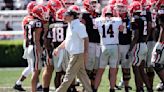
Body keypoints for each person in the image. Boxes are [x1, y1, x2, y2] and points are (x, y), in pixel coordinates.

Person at [53, 9, 92, 92]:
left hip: (77, 54)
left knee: (68, 76)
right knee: (83, 76)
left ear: (72, 16)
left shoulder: (79, 26)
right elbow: (67, 40)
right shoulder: (70, 25)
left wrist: (85, 52)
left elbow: (85, 38)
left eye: (66, 15)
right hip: (74, 54)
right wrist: (58, 48)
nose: (64, 17)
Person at [93, 5, 124, 92]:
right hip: (114, 46)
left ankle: (95, 89)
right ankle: (112, 89)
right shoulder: (118, 20)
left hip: (104, 46)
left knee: (100, 70)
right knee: (113, 70)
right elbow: (121, 29)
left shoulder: (98, 20)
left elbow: (95, 27)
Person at [13, 1, 42, 91]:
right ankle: (20, 83)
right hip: (30, 42)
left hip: (28, 42)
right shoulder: (31, 20)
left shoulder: (28, 18)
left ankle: (37, 85)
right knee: (32, 67)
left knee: (33, 66)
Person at [127, 1, 153, 92]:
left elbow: (135, 36)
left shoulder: (135, 19)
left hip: (138, 45)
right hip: (143, 44)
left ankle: (139, 88)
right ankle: (149, 88)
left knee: (136, 69)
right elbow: (148, 30)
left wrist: (130, 49)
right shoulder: (144, 19)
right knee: (141, 69)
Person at [28, 5, 49, 92]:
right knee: (36, 71)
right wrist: (41, 52)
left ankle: (34, 89)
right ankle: (33, 90)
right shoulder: (38, 23)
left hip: (33, 47)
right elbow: (36, 40)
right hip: (36, 47)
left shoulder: (32, 21)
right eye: (43, 13)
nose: (45, 15)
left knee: (37, 71)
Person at [82, 0, 101, 90]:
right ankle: (85, 88)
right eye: (91, 3)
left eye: (94, 3)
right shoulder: (83, 15)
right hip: (89, 43)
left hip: (98, 44)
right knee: (88, 68)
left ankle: (93, 88)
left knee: (95, 68)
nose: (94, 5)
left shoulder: (97, 14)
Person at [151, 4, 164, 91]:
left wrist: (159, 43)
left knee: (155, 63)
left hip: (162, 42)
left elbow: (163, 27)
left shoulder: (161, 11)